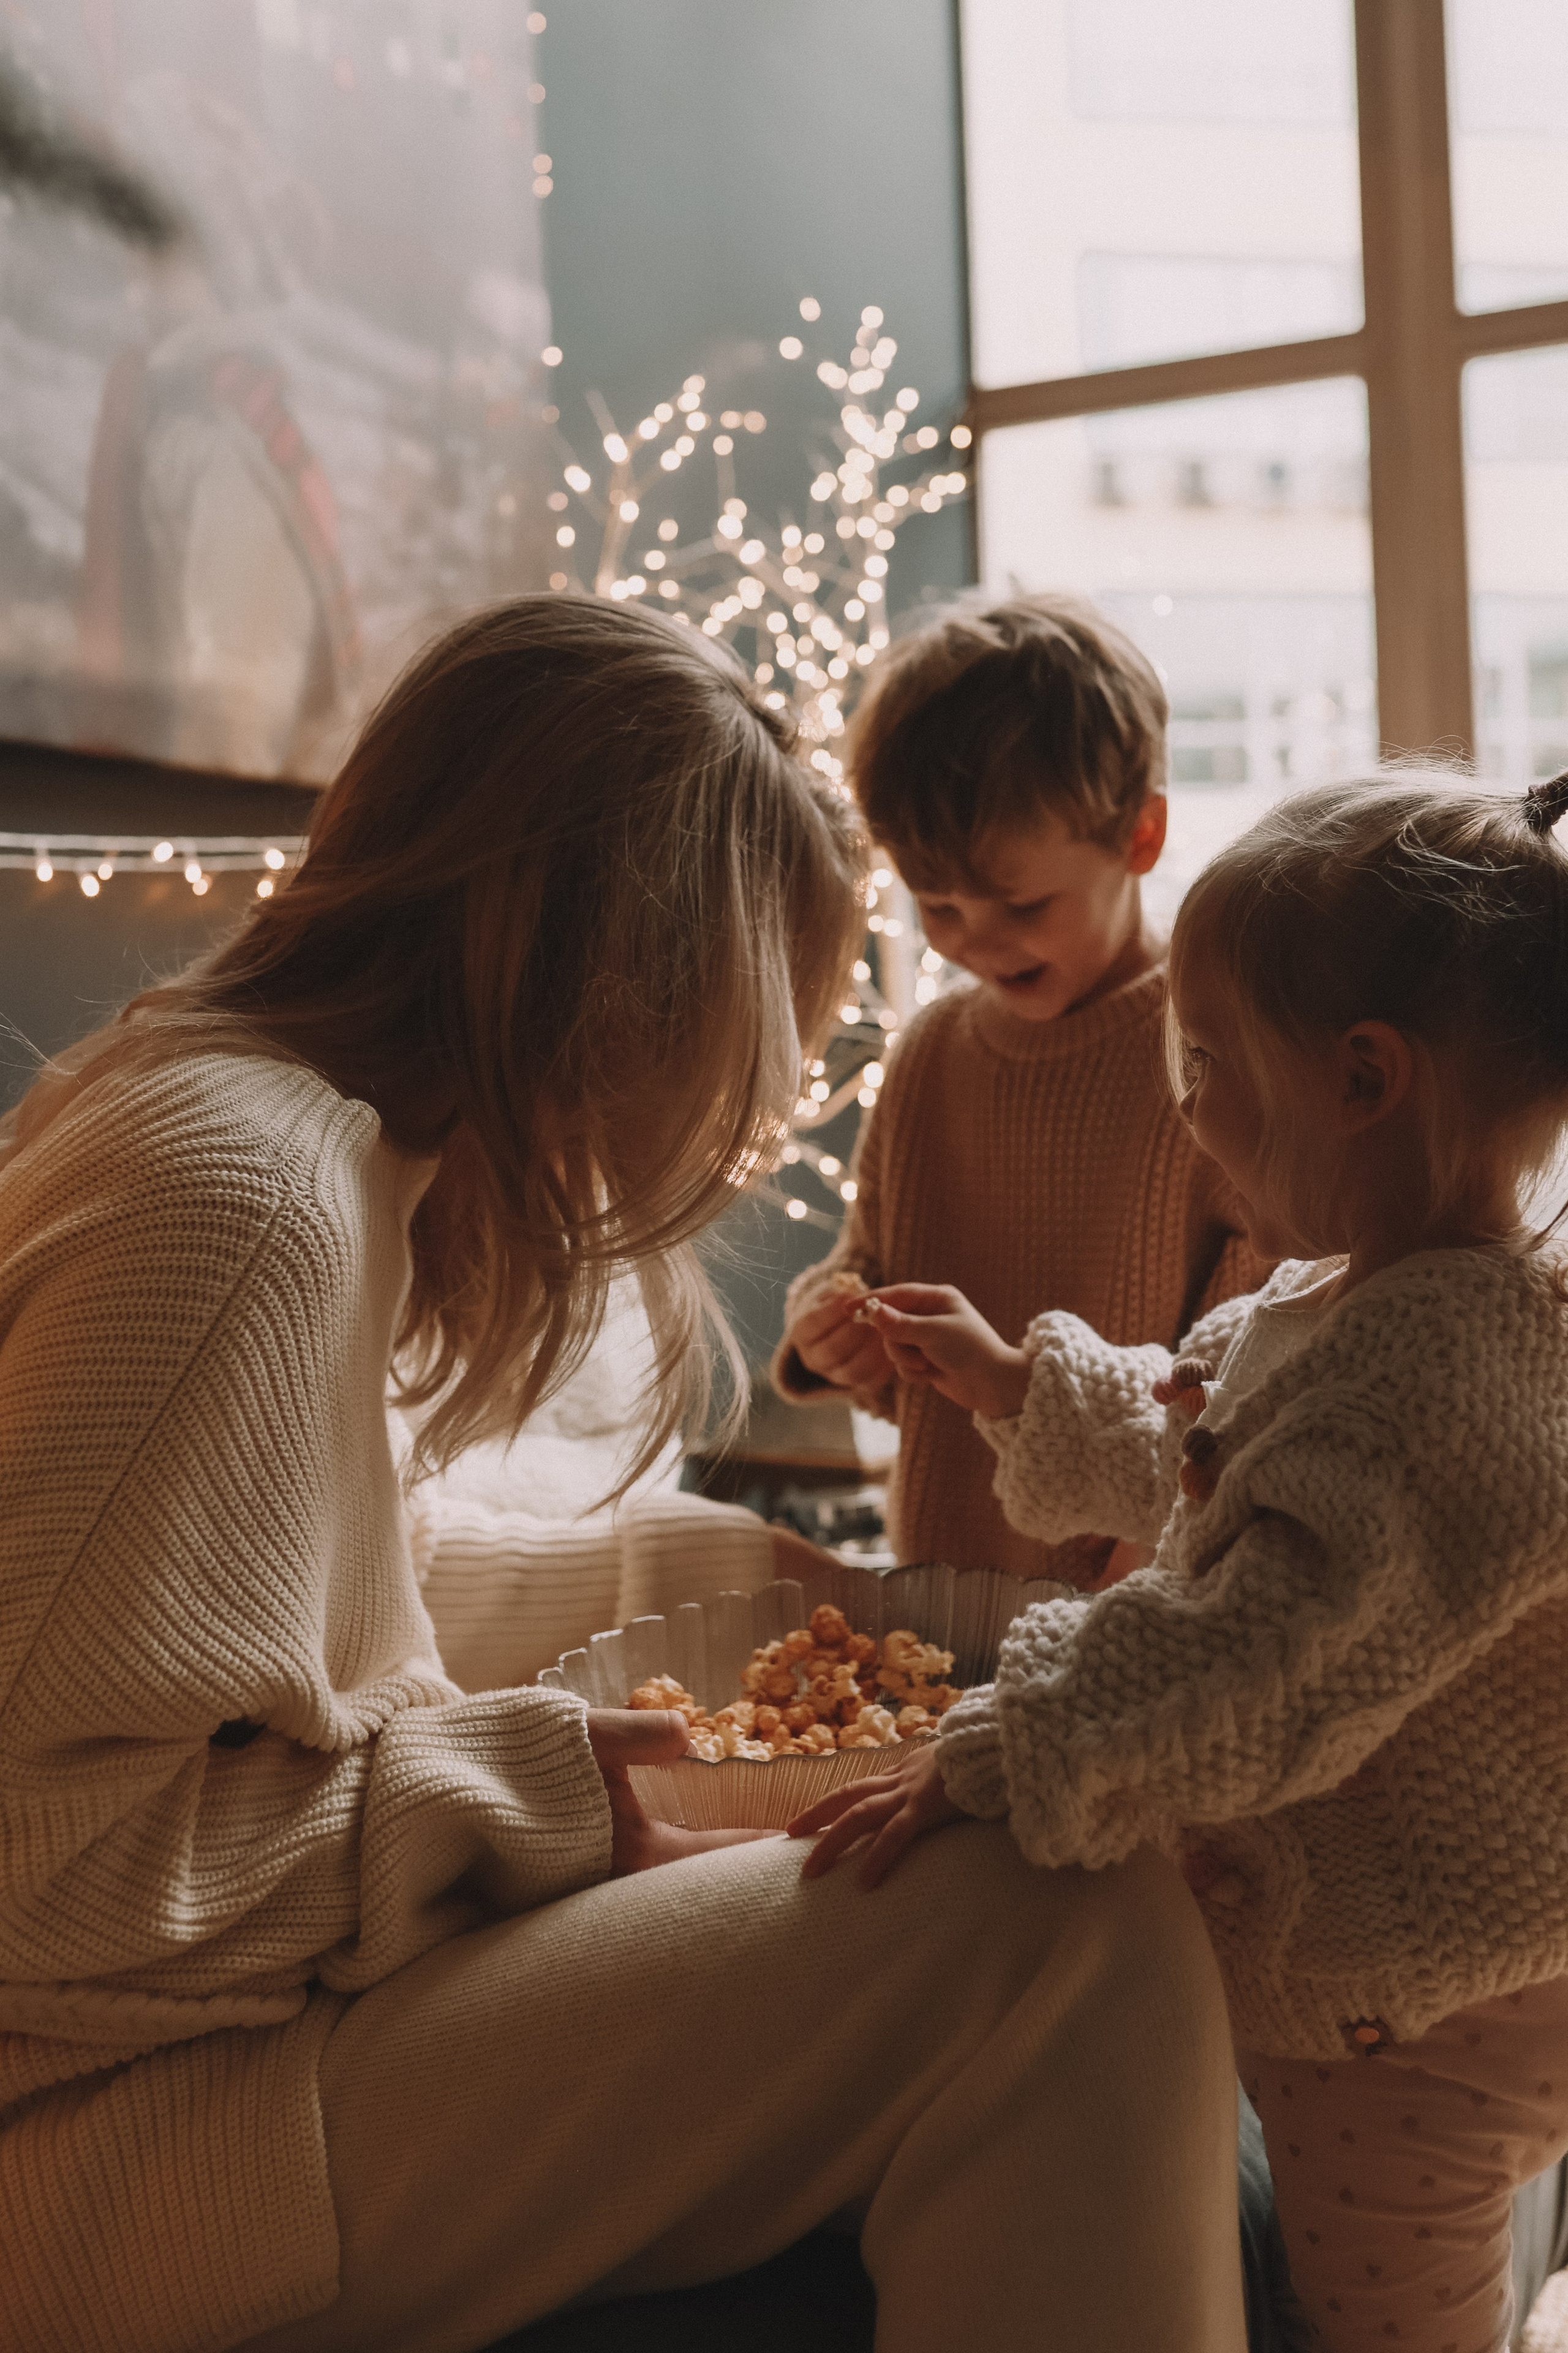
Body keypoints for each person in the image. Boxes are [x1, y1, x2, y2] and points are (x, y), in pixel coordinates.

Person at [0, 596, 1249, 2353]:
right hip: (125, 2151)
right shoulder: (243, 1205)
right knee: (1062, 1932)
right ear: (623, 985)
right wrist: (526, 1802)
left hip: (187, 2077)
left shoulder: (263, 1130)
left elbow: (275, 1612)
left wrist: (709, 1575)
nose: (738, 1112)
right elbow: (40, 1877)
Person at [794, 771, 1568, 2352]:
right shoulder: (1364, 1299)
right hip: (1406, 1967)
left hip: (1420, 2014)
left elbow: (1256, 1660)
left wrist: (1006, 1743)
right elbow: (1205, 1445)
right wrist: (1024, 1381)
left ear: (1363, 1077)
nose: (1182, 1102)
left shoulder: (1453, 1372)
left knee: (1389, 2323)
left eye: (1203, 1063)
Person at [771, 594, 1267, 1584]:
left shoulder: (1219, 1047)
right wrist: (836, 1335)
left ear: (1140, 835)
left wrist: (1146, 1546)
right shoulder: (928, 1057)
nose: (975, 942)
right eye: (939, 906)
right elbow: (873, 1264)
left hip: (1151, 1585)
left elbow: (1254, 1359)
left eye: (1023, 903)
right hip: (948, 1577)